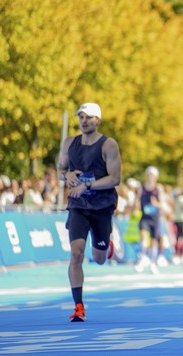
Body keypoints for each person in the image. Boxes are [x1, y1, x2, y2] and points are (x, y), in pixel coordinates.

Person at [57, 102, 120, 322]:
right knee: (76, 252)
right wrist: (67, 176)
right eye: (81, 117)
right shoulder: (69, 143)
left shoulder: (108, 144)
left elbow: (115, 178)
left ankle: (106, 246)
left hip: (102, 206)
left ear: (98, 120)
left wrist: (88, 185)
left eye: (89, 117)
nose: (84, 121)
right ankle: (78, 306)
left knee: (99, 258)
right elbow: (60, 170)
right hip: (78, 205)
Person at [134, 166, 164, 274]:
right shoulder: (141, 188)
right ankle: (143, 257)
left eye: (152, 175)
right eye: (149, 175)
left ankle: (152, 262)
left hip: (155, 219)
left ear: (156, 177)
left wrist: (157, 204)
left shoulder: (158, 188)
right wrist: (135, 206)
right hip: (144, 218)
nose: (150, 177)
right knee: (143, 235)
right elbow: (136, 201)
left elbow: (163, 204)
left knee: (154, 241)